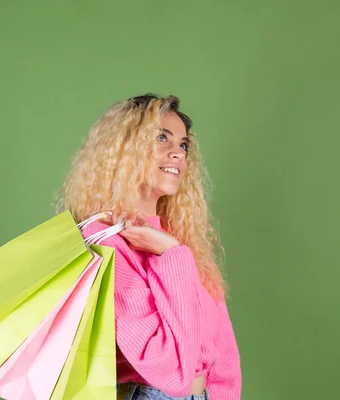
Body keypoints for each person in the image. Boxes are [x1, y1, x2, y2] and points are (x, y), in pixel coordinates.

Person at [55, 93, 241, 399]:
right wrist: (170, 255)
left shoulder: (177, 236)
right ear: (125, 149)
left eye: (182, 145)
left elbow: (222, 356)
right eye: (161, 139)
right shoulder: (105, 244)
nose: (178, 153)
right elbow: (169, 371)